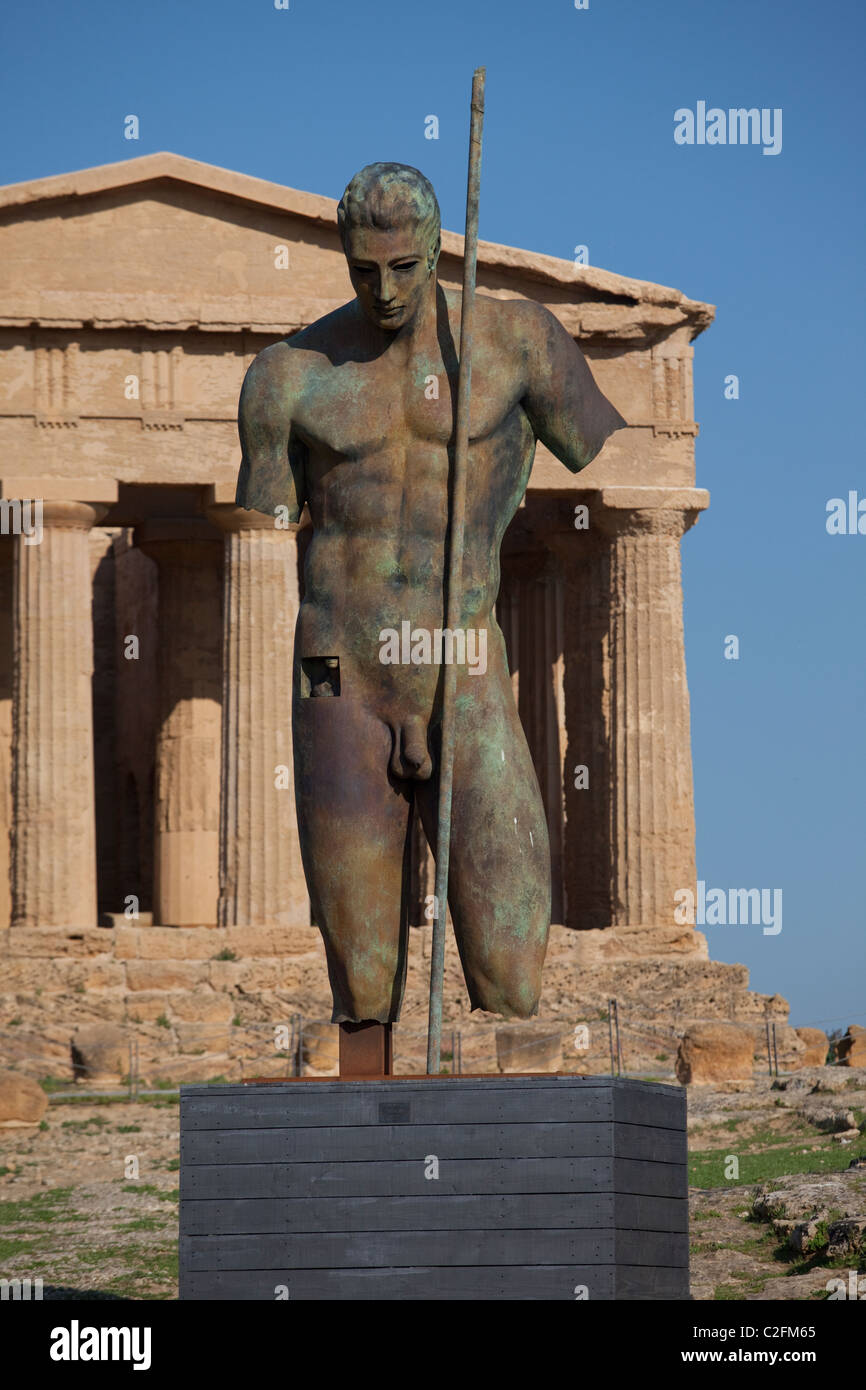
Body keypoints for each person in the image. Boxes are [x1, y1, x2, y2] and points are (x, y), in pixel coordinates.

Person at [236, 162, 625, 1024]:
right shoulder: (286, 378)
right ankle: (365, 1131)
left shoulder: (521, 345)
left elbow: (586, 443)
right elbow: (267, 524)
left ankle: (508, 1140)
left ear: (441, 250)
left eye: (405, 267)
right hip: (336, 667)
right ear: (343, 256)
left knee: (511, 971)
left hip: (462, 660)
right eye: (364, 269)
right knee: (363, 987)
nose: (384, 290)